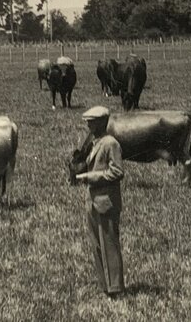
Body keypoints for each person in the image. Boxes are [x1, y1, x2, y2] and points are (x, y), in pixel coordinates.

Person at [75, 106, 125, 298]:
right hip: (93, 200)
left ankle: (116, 288)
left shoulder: (110, 143)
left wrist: (90, 177)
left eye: (92, 122)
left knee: (109, 245)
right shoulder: (95, 143)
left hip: (106, 202)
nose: (88, 125)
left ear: (101, 123)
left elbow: (117, 172)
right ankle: (105, 286)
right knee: (97, 244)